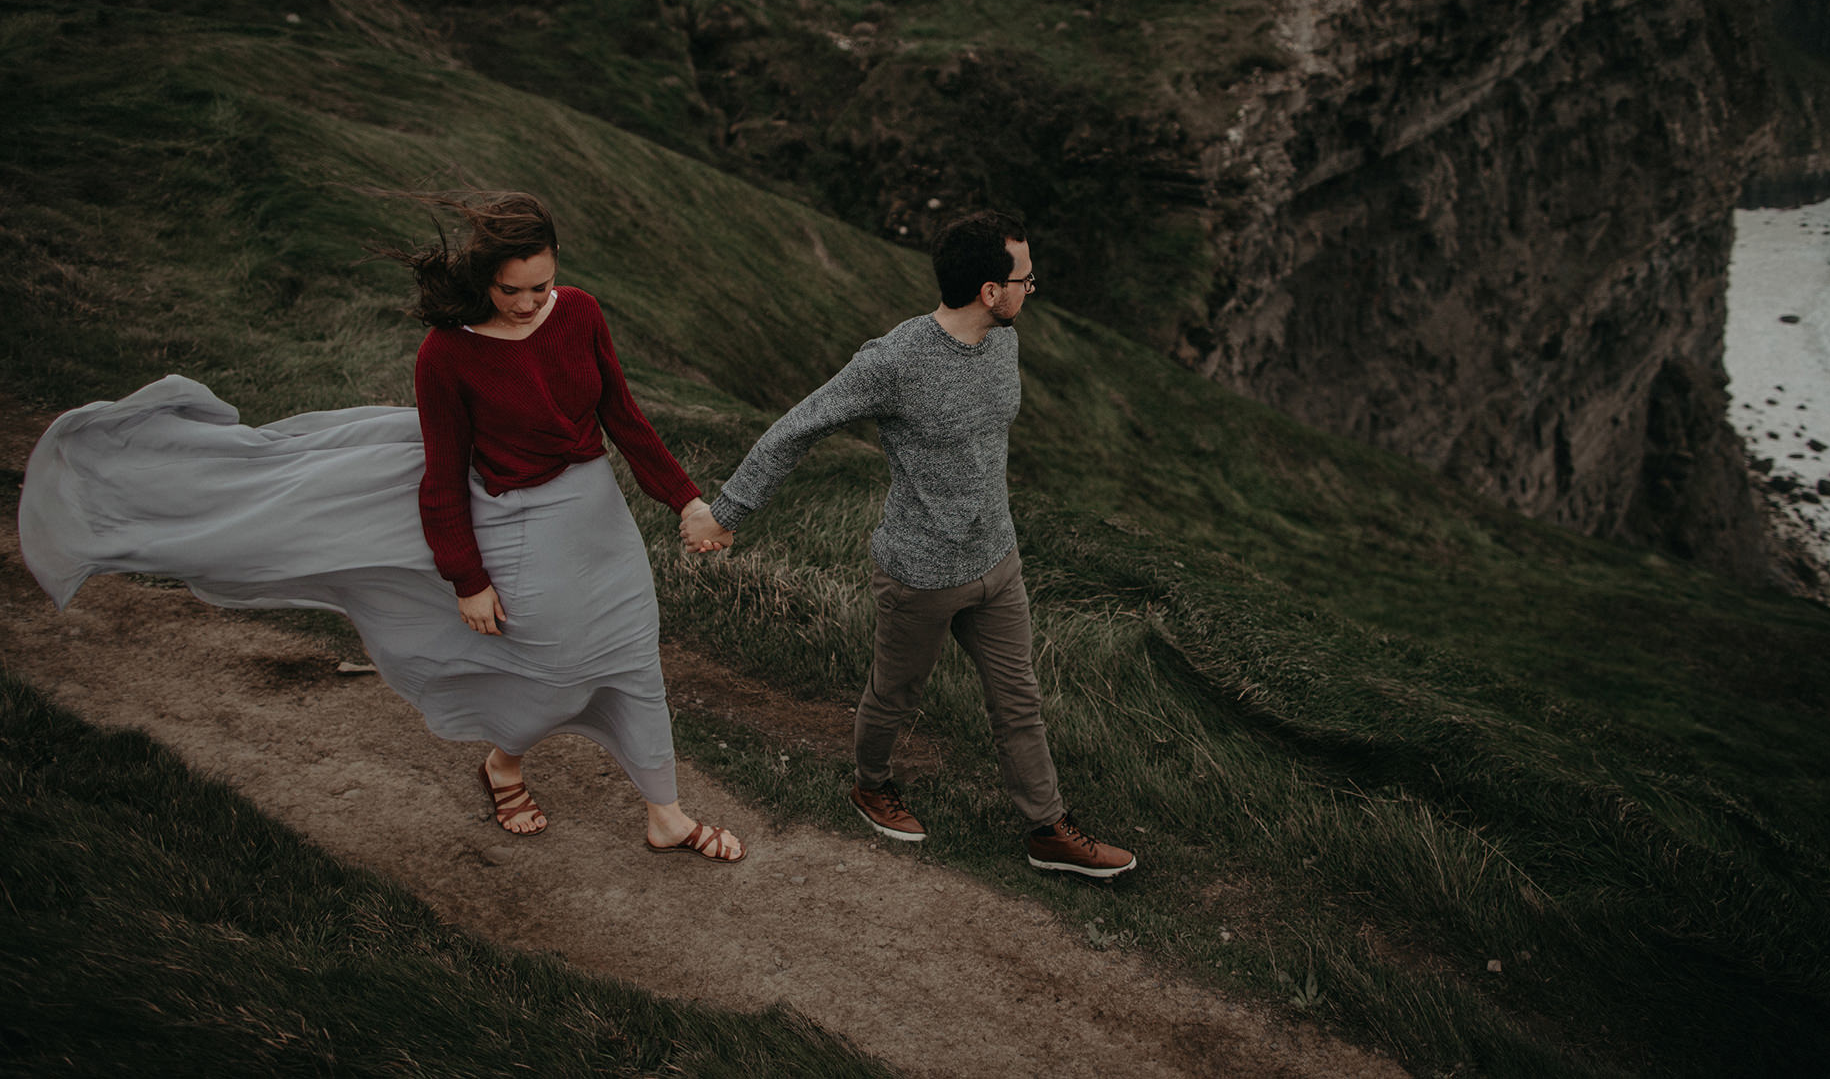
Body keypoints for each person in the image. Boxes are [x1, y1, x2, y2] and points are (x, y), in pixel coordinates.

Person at [18, 191, 745, 865]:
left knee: (633, 659)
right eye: (511, 290)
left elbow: (623, 417)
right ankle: (505, 762)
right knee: (556, 673)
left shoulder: (581, 314)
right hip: (523, 528)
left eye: (541, 286)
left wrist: (683, 501)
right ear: (482, 278)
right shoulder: (448, 355)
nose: (528, 304)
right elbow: (441, 476)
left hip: (600, 520)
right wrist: (467, 579)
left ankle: (665, 814)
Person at [679, 211, 1136, 878]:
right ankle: (870, 784)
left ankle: (1048, 828)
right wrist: (727, 513)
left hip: (997, 562)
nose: (1032, 287)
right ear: (989, 290)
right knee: (896, 693)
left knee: (1019, 698)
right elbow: (795, 429)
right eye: (1023, 278)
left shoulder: (1003, 341)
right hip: (920, 573)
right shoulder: (893, 362)